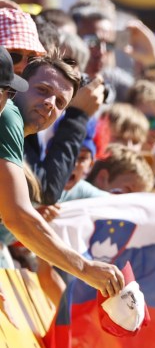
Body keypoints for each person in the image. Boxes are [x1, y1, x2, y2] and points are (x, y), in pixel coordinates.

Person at [0, 46, 124, 297]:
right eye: (43, 91)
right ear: (17, 87)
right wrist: (85, 268)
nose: (49, 104)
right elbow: (18, 216)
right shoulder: (9, 116)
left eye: (60, 102)